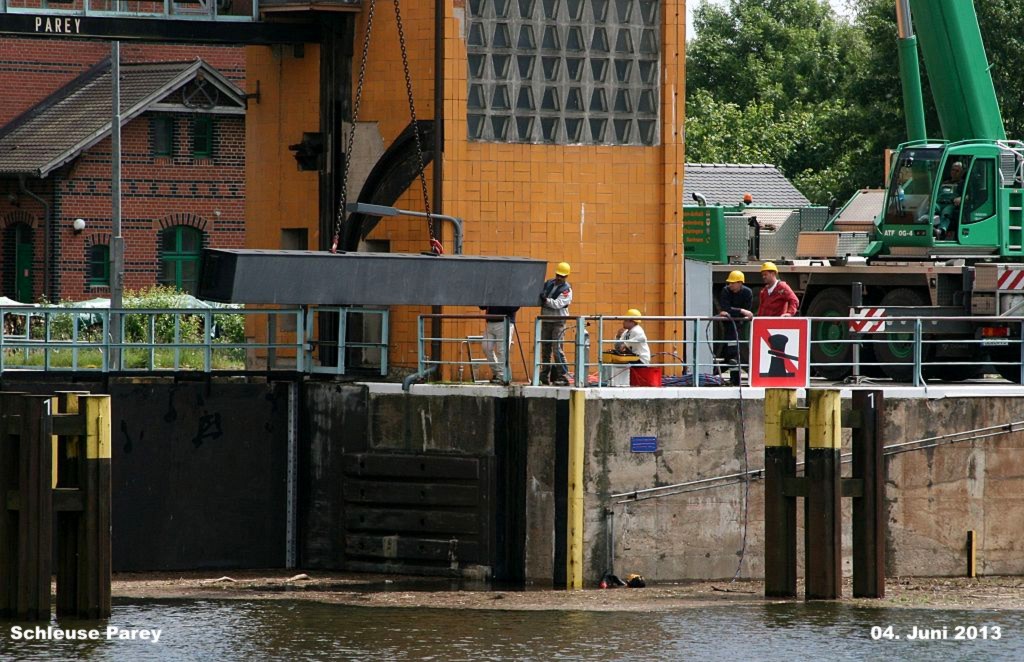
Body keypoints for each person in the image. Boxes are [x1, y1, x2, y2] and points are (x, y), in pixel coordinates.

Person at [539, 261, 573, 385]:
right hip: (546, 320)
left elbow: (558, 304)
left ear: (566, 276)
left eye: (562, 276)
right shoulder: (548, 283)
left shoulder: (567, 290)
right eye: (558, 275)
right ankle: (544, 376)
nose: (559, 278)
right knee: (545, 349)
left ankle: (562, 376)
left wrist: (545, 301)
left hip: (558, 321)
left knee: (557, 349)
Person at [717, 270, 753, 363]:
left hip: (740, 324)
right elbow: (725, 308)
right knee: (730, 350)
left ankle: (736, 372)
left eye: (733, 283)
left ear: (740, 283)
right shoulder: (726, 291)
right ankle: (733, 372)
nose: (730, 285)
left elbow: (746, 310)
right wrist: (741, 311)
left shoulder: (747, 292)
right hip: (728, 325)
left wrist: (732, 311)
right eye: (729, 283)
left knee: (737, 348)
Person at [479, 305, 519, 384]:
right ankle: (498, 374)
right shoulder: (492, 292)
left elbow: (515, 307)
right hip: (491, 321)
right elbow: (482, 306)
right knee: (486, 348)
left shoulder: (511, 292)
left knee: (502, 350)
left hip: (505, 321)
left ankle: (503, 376)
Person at [935, 160, 965, 239]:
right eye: (953, 170)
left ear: (962, 173)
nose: (954, 172)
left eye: (957, 171)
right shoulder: (944, 182)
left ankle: (941, 231)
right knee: (931, 208)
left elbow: (968, 196)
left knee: (946, 213)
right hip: (939, 203)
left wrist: (961, 198)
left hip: (950, 204)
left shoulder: (963, 184)